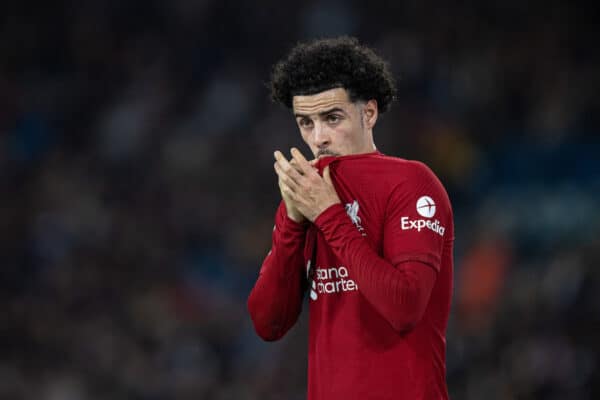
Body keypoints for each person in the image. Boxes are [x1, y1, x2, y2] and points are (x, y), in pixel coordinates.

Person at [247, 36, 454, 400]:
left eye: (332, 118)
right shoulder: (306, 195)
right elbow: (268, 323)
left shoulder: (412, 183)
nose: (319, 137)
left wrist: (329, 215)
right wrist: (294, 224)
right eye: (305, 122)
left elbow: (404, 307)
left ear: (369, 113)